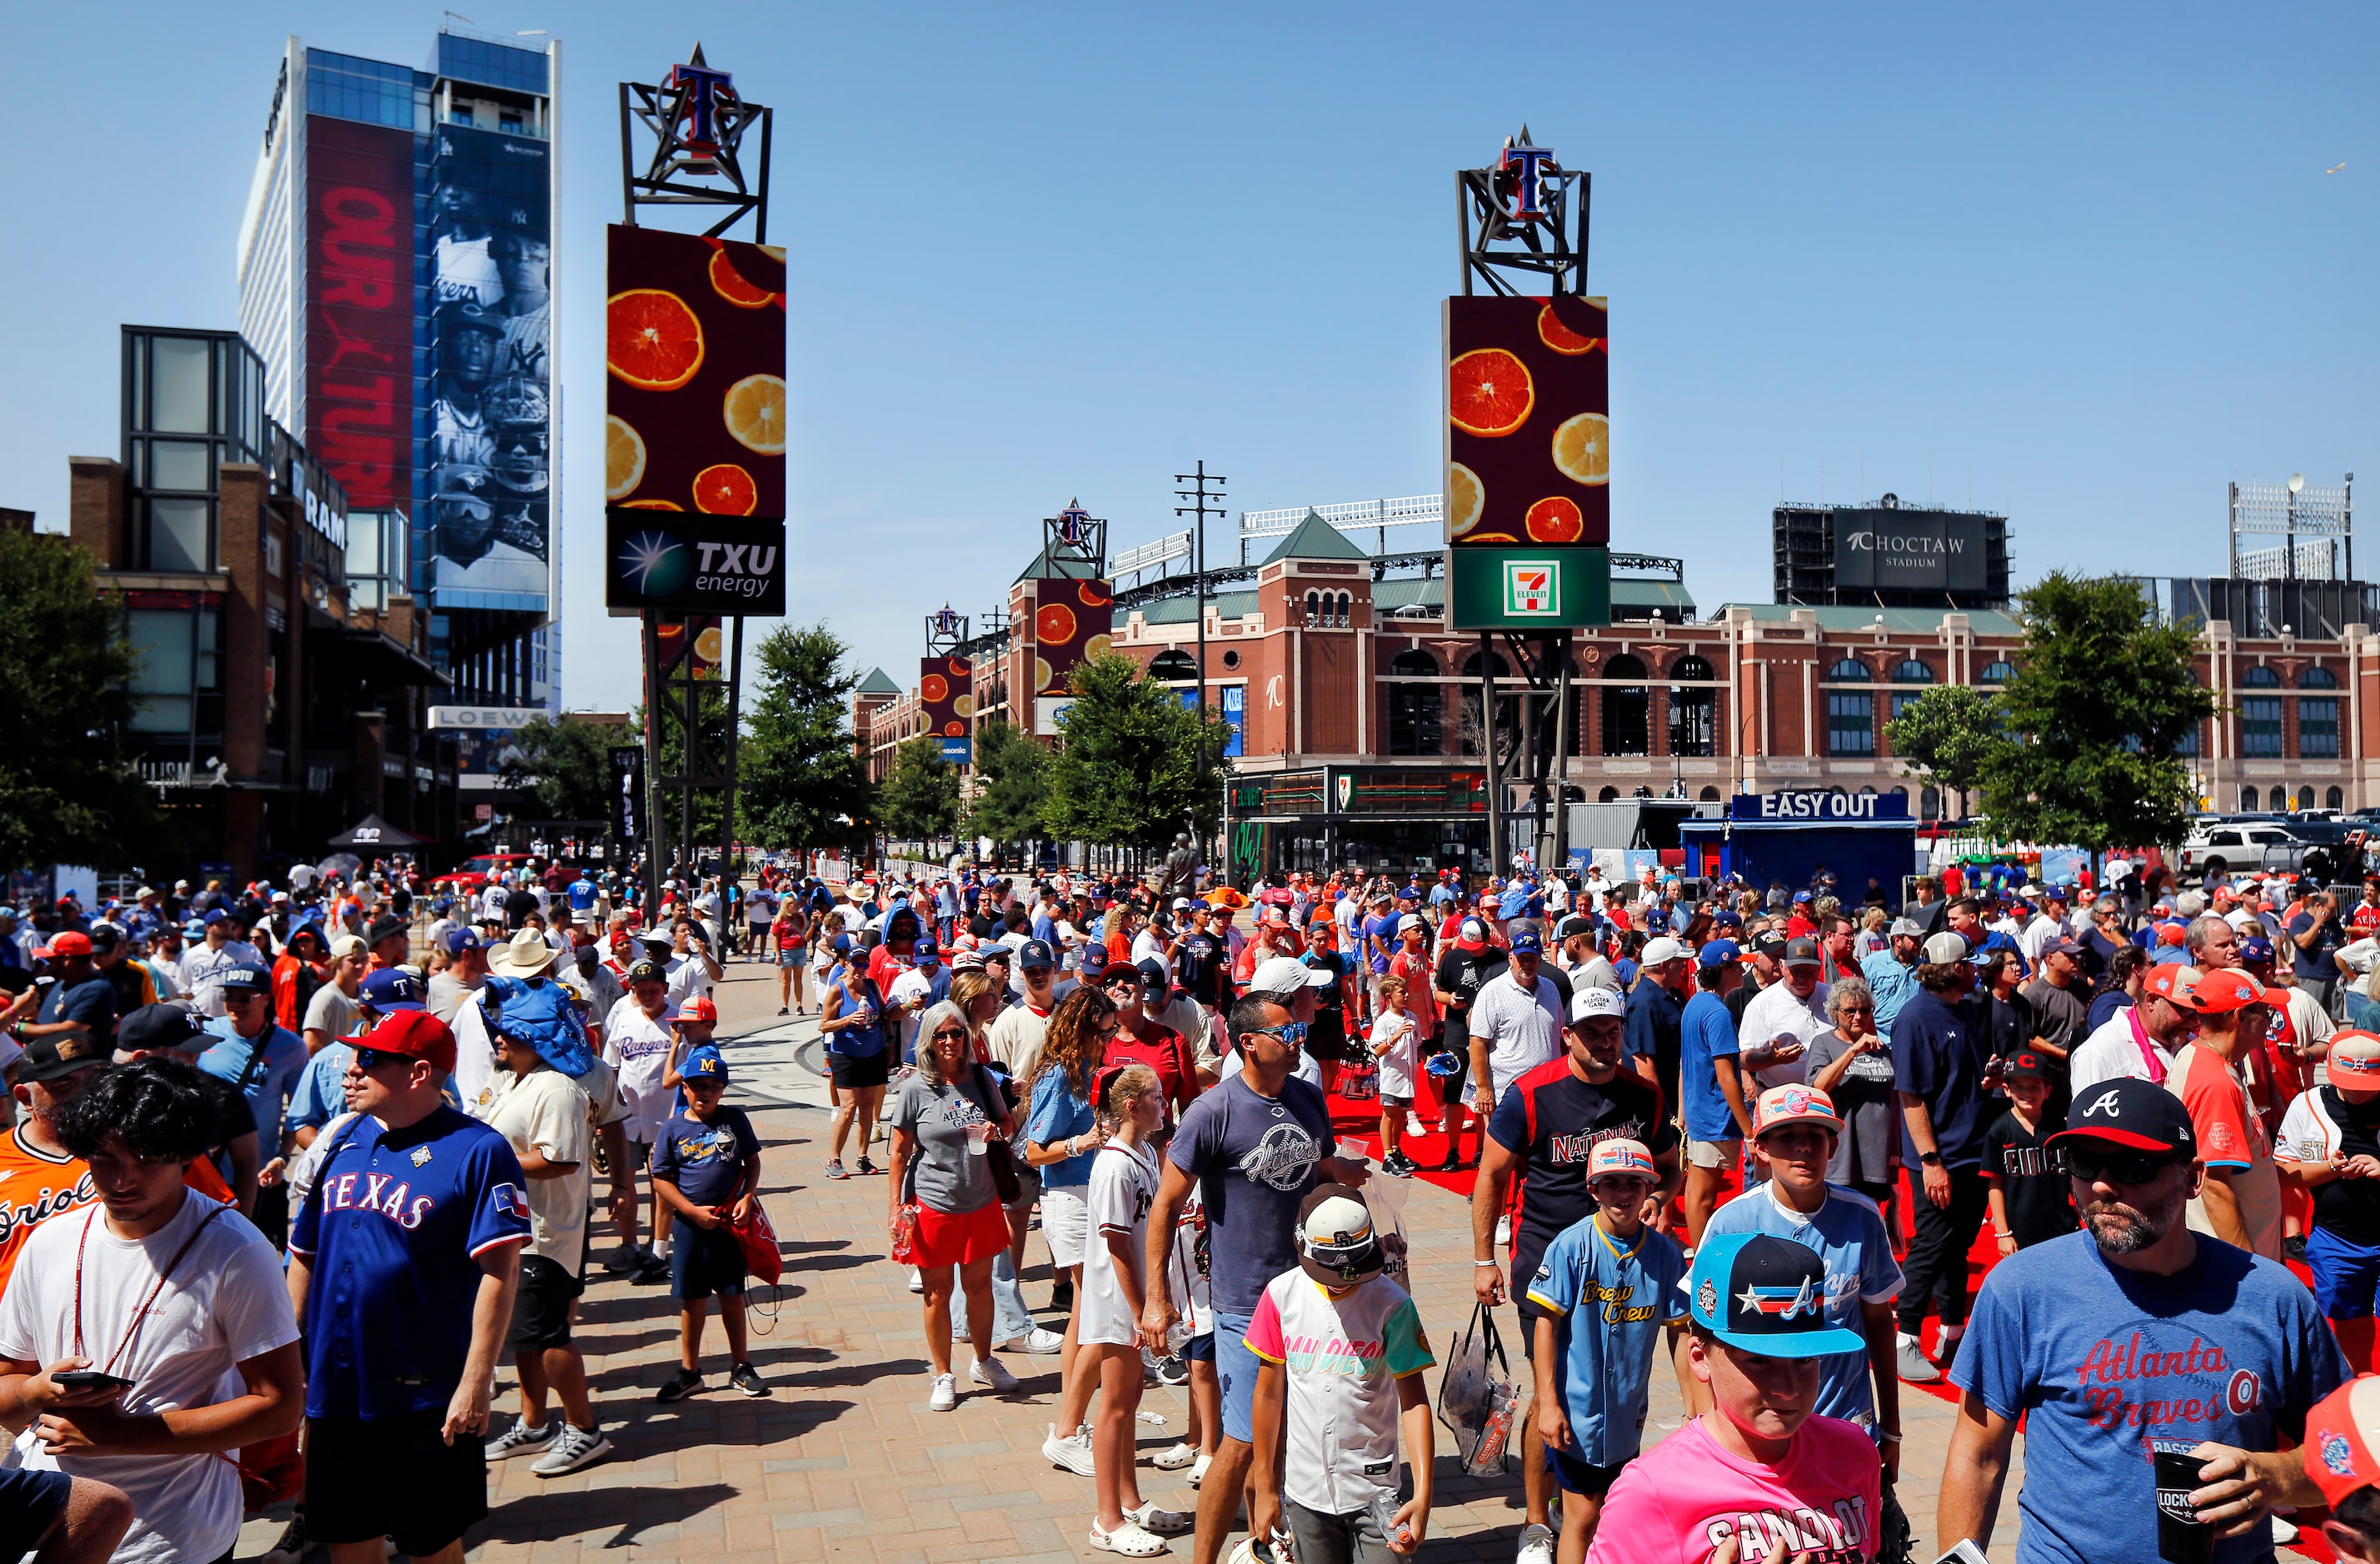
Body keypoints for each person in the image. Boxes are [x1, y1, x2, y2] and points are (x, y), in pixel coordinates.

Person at [1937, 1076, 2350, 1562]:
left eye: (2133, 1166)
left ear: (2194, 1177)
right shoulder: (2021, 1289)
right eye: (2083, 1162)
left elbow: (2344, 1455)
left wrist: (2273, 1478)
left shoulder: (2274, 1298)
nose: (2101, 1185)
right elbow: (1978, 1454)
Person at [0, 1058, 306, 1564]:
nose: (123, 1179)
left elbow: (279, 1407)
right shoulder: (48, 1242)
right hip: (55, 1531)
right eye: (103, 1158)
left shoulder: (236, 1251)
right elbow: (8, 1392)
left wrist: (122, 1436)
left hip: (174, 1539)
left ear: (187, 1156)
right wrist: (37, 1391)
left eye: (147, 1158)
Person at [284, 1007, 531, 1564]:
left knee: (431, 1545)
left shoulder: (478, 1149)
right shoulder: (345, 1137)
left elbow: (501, 1271)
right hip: (335, 1385)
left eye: (371, 1059)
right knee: (346, 1541)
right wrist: (283, 1356)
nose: (353, 1069)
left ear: (418, 1073)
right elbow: (304, 1255)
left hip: (426, 1391)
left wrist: (476, 1382)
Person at [1141, 995, 1371, 1564]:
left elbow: (1305, 1166)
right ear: (1248, 1042)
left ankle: (1265, 1544)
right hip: (1245, 1301)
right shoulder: (1212, 1111)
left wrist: (1333, 1173)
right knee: (1242, 1442)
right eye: (1285, 1030)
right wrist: (1155, 1299)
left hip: (1315, 1293)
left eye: (1298, 1028)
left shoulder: (1307, 1096)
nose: (1297, 1038)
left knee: (1296, 1434)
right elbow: (1166, 1205)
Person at [1474, 986, 1679, 1562]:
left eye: (1612, 1030)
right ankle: (1538, 1524)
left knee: (1612, 1390)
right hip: (1548, 1264)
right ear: (1567, 1034)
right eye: (1591, 1031)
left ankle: (1588, 1507)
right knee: (1552, 1395)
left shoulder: (1643, 1096)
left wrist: (1659, 1198)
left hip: (1624, 1265)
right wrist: (1483, 1257)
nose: (1604, 1040)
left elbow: (1669, 1167)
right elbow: (1491, 1175)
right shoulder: (1531, 1094)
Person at [1582, 1233, 1879, 1564]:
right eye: (1759, 1360)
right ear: (1700, 1357)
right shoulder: (1651, 1491)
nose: (1789, 1388)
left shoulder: (1854, 1451)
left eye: (1805, 1359)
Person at [1699, 1084, 1908, 1552]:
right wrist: (1705, 1427)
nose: (1803, 1148)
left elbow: (1879, 1324)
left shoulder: (1862, 1217)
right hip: (1760, 1440)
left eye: (1816, 1136)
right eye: (1786, 1136)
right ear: (1760, 1148)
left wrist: (1890, 1428)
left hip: (1846, 1430)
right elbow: (1699, 1334)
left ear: (1834, 1145)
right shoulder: (1731, 1223)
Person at [1247, 1185, 1435, 1564]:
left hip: (1375, 1492)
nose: (1342, 1280)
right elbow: (1268, 1396)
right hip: (1306, 1492)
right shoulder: (1280, 1296)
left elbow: (1414, 1401)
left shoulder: (1392, 1305)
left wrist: (1424, 1495)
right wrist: (1266, 1486)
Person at [1524, 1140, 1687, 1564]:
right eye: (1610, 1183)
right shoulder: (1570, 1246)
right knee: (1584, 1517)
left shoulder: (1665, 1255)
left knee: (1611, 1511)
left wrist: (1695, 1409)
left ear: (1649, 1187)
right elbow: (1546, 1324)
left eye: (1634, 1183)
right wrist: (1548, 1403)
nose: (1623, 1193)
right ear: (1593, 1189)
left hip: (1626, 1414)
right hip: (1577, 1414)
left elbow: (1681, 1333)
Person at [475, 983, 612, 1477]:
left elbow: (559, 1160)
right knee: (524, 1338)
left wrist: (490, 1161)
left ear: (535, 1037)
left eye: (508, 1034)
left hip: (546, 1235)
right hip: (516, 1232)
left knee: (550, 1338)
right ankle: (534, 1424)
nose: (498, 1043)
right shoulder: (522, 1079)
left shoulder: (556, 1088)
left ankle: (585, 1429)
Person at [1080, 1063, 1193, 1554]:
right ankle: (1106, 1519)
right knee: (1117, 1404)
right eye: (1156, 1098)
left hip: (1137, 1299)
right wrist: (1142, 1306)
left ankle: (1128, 1500)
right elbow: (1117, 1245)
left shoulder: (1144, 1151)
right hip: (1118, 1301)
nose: (1164, 1105)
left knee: (1130, 1403)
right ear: (1132, 1106)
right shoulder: (1113, 1164)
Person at [889, 999, 1022, 1411]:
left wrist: (994, 1130)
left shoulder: (981, 1078)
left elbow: (1007, 1124)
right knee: (936, 1293)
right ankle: (942, 1374)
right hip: (934, 1204)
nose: (950, 1041)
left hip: (980, 1202)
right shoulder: (916, 1089)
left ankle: (984, 1360)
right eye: (942, 1034)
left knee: (980, 1289)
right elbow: (898, 1152)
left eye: (957, 1033)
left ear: (968, 1037)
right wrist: (895, 1208)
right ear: (928, 1040)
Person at [1891, 931, 1995, 1385]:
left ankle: (1953, 1332)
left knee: (1959, 1244)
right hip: (1942, 1157)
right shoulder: (1916, 1018)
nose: (1977, 970)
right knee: (1932, 1244)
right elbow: (1911, 1097)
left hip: (1971, 1149)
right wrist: (1930, 1159)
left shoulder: (1963, 1011)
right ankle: (1905, 1336)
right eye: (1970, 964)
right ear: (1954, 969)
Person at [1026, 987, 1120, 1477]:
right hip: (1069, 1198)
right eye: (1106, 1025)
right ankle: (1068, 1428)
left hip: (1094, 1193)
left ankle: (1071, 1422)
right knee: (1088, 1310)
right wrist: (1081, 1141)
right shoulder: (1061, 1076)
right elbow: (1033, 1151)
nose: (1112, 1033)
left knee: (1087, 1311)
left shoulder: (1089, 1070)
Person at [649, 1047, 770, 1402]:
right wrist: (690, 1211)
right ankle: (690, 1370)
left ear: (723, 1089)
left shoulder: (734, 1119)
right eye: (697, 1085)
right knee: (693, 1298)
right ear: (684, 1087)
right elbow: (661, 1179)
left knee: (733, 1293)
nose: (705, 1092)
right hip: (690, 1226)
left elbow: (752, 1162)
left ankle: (741, 1366)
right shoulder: (671, 1128)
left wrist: (748, 1197)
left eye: (714, 1086)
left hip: (730, 1222)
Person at [2168, 965, 2289, 1259]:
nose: (2270, 1020)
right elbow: (2214, 1185)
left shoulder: (2201, 1057)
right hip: (2233, 1265)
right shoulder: (2216, 1082)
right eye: (2266, 1011)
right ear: (2241, 1017)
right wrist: (2251, 1276)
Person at [2279, 1030, 2380, 1371]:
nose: (2355, 1092)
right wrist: (2331, 1168)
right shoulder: (2307, 1105)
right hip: (2336, 1239)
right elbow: (2285, 1172)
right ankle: (2358, 1393)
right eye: (2348, 1082)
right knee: (2347, 1324)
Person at [195, 962, 305, 1227]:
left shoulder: (291, 1047)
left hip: (257, 1174)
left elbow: (298, 1111)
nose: (235, 1004)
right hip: (206, 1171)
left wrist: (283, 1156)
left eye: (244, 997)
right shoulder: (207, 1034)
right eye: (229, 996)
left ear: (266, 999)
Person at [1800, 977, 1901, 1216]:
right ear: (1835, 1013)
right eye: (1850, 1011)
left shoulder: (1883, 1050)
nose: (1858, 1017)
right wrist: (1853, 1051)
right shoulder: (1824, 1043)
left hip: (1878, 1155)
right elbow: (1817, 1086)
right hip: (1842, 1156)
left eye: (1865, 1010)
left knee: (1869, 1218)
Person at [1679, 939, 1754, 1248]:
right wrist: (1748, 1130)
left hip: (1701, 1113)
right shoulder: (1718, 1013)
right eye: (1738, 965)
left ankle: (1698, 1258)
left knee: (1697, 1191)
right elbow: (1726, 1076)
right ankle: (1701, 1262)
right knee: (1703, 1196)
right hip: (1715, 1116)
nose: (1742, 969)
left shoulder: (1695, 1004)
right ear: (1724, 969)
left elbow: (1687, 1063)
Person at [1980, 1049, 2074, 1254]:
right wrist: (2003, 1233)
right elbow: (1995, 1183)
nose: (2027, 1094)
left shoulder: (2059, 1127)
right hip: (2019, 1231)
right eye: (2019, 1087)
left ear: (2047, 1090)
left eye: (2034, 1087)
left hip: (2061, 1228)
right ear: (2006, 1089)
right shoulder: (1999, 1131)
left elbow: (2073, 1177)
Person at [820, 937, 891, 1178]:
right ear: (846, 964)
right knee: (848, 1107)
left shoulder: (871, 987)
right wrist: (847, 1020)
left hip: (873, 1053)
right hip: (846, 1054)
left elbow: (883, 1015)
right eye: (855, 964)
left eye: (864, 964)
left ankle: (862, 1156)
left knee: (868, 1107)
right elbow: (824, 1026)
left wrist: (890, 1041)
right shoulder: (836, 991)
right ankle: (834, 1159)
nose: (860, 969)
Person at [1368, 974, 1422, 1178]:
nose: (1407, 995)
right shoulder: (1384, 1021)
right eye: (1402, 993)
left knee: (1401, 1115)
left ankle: (1397, 1149)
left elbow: (1418, 1046)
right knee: (1389, 1114)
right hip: (1392, 1077)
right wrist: (1396, 1035)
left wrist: (1433, 1059)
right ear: (1389, 997)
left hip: (1408, 1079)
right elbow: (1378, 1050)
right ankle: (1387, 1155)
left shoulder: (1412, 1017)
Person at [772, 897, 811, 1017]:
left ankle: (799, 1005)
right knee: (786, 980)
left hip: (799, 949)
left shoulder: (798, 917)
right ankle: (785, 1006)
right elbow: (776, 938)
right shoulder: (779, 920)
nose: (794, 906)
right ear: (786, 905)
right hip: (786, 950)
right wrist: (777, 955)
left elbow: (805, 927)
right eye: (792, 905)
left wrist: (803, 915)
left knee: (798, 979)